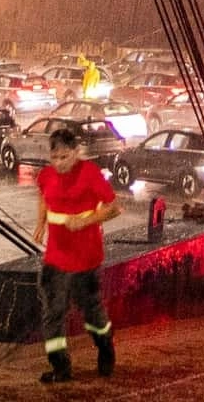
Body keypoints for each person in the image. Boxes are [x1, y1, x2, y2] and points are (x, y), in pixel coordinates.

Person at [34, 127, 122, 383]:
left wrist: (85, 222)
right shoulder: (46, 176)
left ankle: (105, 346)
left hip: (86, 257)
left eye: (64, 157)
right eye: (55, 158)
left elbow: (114, 207)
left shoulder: (90, 174)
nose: (59, 163)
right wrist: (40, 224)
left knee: (92, 311)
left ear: (75, 152)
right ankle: (60, 366)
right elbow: (43, 197)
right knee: (53, 312)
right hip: (56, 257)